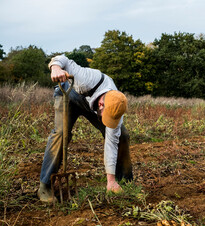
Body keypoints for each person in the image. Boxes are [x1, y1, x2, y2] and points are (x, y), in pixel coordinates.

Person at [37, 55, 133, 203]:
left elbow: (111, 142)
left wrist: (110, 180)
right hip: (68, 94)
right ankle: (45, 186)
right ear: (101, 105)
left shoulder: (116, 104)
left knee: (122, 136)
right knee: (61, 134)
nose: (105, 119)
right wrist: (55, 67)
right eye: (105, 115)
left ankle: (123, 181)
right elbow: (63, 59)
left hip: (91, 102)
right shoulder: (86, 78)